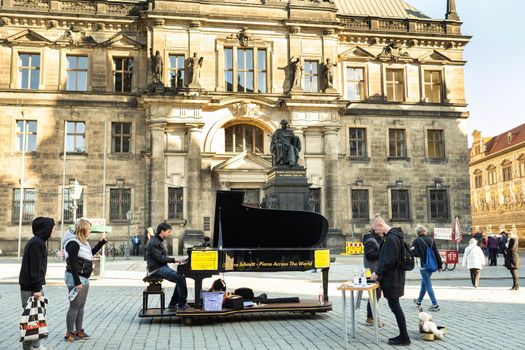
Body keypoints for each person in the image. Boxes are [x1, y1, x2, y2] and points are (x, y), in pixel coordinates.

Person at [63, 219, 107, 342]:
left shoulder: (83, 243)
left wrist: (101, 243)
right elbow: (71, 263)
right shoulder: (73, 243)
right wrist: (77, 282)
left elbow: (89, 255)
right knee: (74, 306)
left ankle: (79, 331)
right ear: (83, 229)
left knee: (81, 306)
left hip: (83, 278)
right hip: (75, 278)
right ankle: (69, 334)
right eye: (89, 229)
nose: (90, 232)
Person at [370, 216, 410, 346]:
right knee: (395, 307)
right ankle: (403, 335)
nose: (376, 232)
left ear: (381, 225)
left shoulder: (391, 238)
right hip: (394, 278)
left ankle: (404, 337)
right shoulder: (392, 236)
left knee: (395, 307)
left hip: (393, 279)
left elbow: (388, 261)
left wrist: (377, 273)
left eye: (376, 229)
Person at [19, 217, 55, 350]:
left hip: (32, 287)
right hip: (31, 288)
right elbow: (35, 268)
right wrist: (37, 289)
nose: (54, 230)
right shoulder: (36, 243)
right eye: (52, 227)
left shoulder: (38, 242)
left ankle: (35, 345)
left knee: (37, 317)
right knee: (32, 320)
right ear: (45, 229)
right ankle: (30, 347)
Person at [146, 223, 189, 310]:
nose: (169, 234)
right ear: (162, 231)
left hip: (160, 267)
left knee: (180, 278)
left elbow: (161, 258)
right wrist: (174, 260)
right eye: (168, 232)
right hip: (156, 269)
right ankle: (181, 304)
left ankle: (173, 304)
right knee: (180, 279)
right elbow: (159, 258)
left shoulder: (158, 241)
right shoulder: (154, 242)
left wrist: (174, 260)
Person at [411, 224, 442, 311]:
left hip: (423, 265)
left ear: (417, 233)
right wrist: (440, 266)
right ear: (425, 232)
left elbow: (414, 253)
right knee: (424, 283)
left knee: (428, 284)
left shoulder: (416, 241)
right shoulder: (431, 240)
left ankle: (435, 305)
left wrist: (420, 253)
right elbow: (436, 253)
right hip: (431, 265)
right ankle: (418, 301)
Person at [363, 227, 384, 327]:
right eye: (382, 232)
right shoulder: (371, 241)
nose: (383, 234)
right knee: (374, 296)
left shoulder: (375, 240)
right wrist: (383, 252)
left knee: (376, 296)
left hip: (374, 271)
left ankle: (371, 318)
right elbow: (370, 255)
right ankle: (371, 318)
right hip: (372, 273)